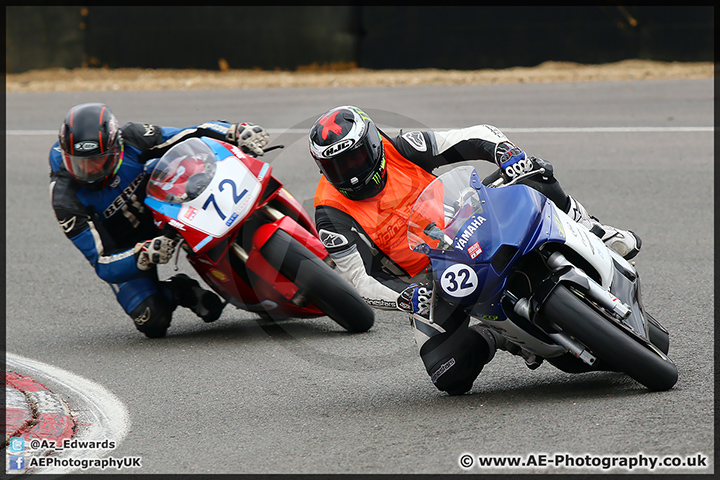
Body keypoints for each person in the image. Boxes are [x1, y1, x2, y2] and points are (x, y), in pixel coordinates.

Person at [308, 105, 641, 395]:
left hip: (471, 219)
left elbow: (471, 136)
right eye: (337, 166)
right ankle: (497, 334)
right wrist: (405, 297)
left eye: (354, 158)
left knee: (533, 173)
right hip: (433, 279)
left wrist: (505, 153)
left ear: (372, 144)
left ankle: (593, 229)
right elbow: (359, 277)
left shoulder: (400, 147)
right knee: (447, 373)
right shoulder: (329, 214)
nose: (349, 173)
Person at [49, 102, 270, 338]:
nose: (89, 170)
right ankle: (180, 290)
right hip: (125, 246)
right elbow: (101, 263)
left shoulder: (133, 136)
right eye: (79, 163)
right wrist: (142, 254)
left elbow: (188, 134)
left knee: (191, 164)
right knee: (152, 319)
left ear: (116, 148)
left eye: (97, 160)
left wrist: (234, 131)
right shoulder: (65, 199)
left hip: (163, 208)